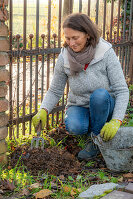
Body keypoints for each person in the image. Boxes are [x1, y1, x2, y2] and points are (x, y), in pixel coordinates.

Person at [32, 13, 129, 161]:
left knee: (100, 96)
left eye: (75, 38)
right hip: (80, 104)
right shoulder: (64, 57)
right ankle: (91, 128)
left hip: (104, 104)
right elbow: (55, 89)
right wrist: (43, 110)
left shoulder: (105, 52)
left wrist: (117, 120)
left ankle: (95, 140)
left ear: (88, 35)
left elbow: (122, 90)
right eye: (67, 38)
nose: (71, 43)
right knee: (75, 127)